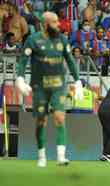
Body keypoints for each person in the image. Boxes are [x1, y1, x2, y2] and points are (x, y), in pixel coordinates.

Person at [15, 12, 84, 167]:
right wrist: (20, 78)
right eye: (54, 22)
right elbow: (23, 60)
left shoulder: (62, 40)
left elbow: (71, 61)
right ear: (45, 24)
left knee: (60, 117)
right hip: (39, 87)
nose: (58, 25)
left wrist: (78, 81)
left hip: (58, 86)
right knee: (41, 121)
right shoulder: (33, 40)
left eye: (57, 22)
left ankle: (61, 156)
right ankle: (41, 155)